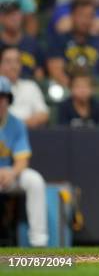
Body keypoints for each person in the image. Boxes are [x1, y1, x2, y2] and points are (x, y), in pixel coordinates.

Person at [0, 76, 48, 246]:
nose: (0, 102)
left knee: (34, 180)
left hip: (9, 175)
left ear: (8, 100)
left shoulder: (16, 123)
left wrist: (12, 172)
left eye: (3, 97)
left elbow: (22, 159)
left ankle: (39, 240)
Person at [0, 46, 49, 128]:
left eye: (17, 61)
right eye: (8, 61)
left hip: (28, 133)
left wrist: (19, 126)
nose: (13, 66)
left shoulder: (30, 86)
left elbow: (44, 114)